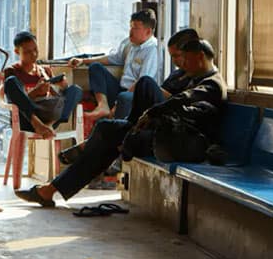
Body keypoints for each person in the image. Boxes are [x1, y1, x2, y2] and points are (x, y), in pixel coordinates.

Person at [15, 39, 226, 207]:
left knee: (143, 86)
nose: (182, 65)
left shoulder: (213, 84)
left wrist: (152, 112)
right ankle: (50, 190)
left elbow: (184, 102)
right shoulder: (191, 76)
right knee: (107, 134)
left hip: (183, 141)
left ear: (200, 57)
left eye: (186, 60)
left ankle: (52, 187)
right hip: (164, 133)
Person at [59, 28, 199, 165]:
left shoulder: (197, 78)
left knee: (140, 87)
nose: (174, 61)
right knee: (105, 124)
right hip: (144, 105)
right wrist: (83, 61)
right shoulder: (177, 73)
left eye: (177, 56)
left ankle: (95, 147)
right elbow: (112, 58)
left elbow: (181, 103)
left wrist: (121, 105)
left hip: (168, 118)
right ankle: (109, 120)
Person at [69, 8, 160, 121]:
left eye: (135, 28)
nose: (131, 31)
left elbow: (142, 82)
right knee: (95, 67)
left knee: (123, 99)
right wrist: (83, 61)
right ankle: (103, 106)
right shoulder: (129, 43)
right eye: (130, 26)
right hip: (121, 89)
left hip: (134, 95)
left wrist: (117, 104)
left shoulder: (153, 50)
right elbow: (113, 59)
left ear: (148, 32)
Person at [0, 31, 83, 138]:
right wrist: (35, 92)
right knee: (10, 81)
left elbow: (55, 100)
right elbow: (15, 102)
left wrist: (62, 88)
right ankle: (38, 124)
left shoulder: (45, 71)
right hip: (27, 119)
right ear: (17, 51)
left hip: (49, 116)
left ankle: (48, 126)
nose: (33, 54)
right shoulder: (12, 71)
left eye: (35, 50)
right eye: (27, 51)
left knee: (75, 90)